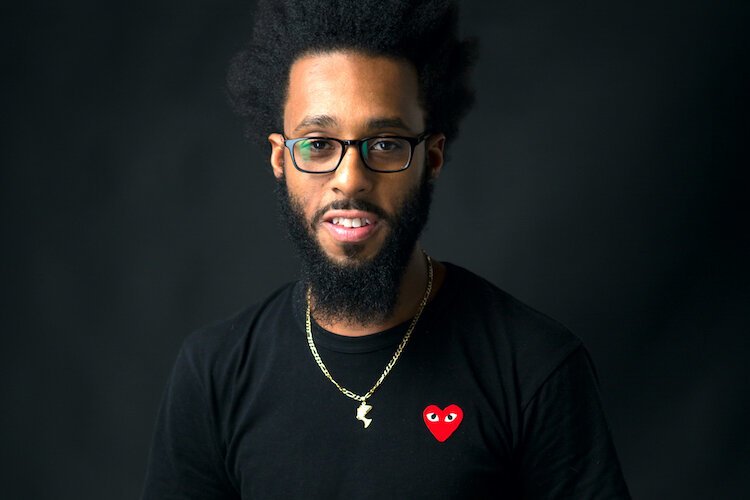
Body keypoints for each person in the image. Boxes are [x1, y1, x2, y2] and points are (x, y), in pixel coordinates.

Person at [143, 0, 631, 498]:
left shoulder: (534, 365)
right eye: (318, 144)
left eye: (385, 144)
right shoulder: (214, 371)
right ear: (280, 159)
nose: (350, 179)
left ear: (431, 158)